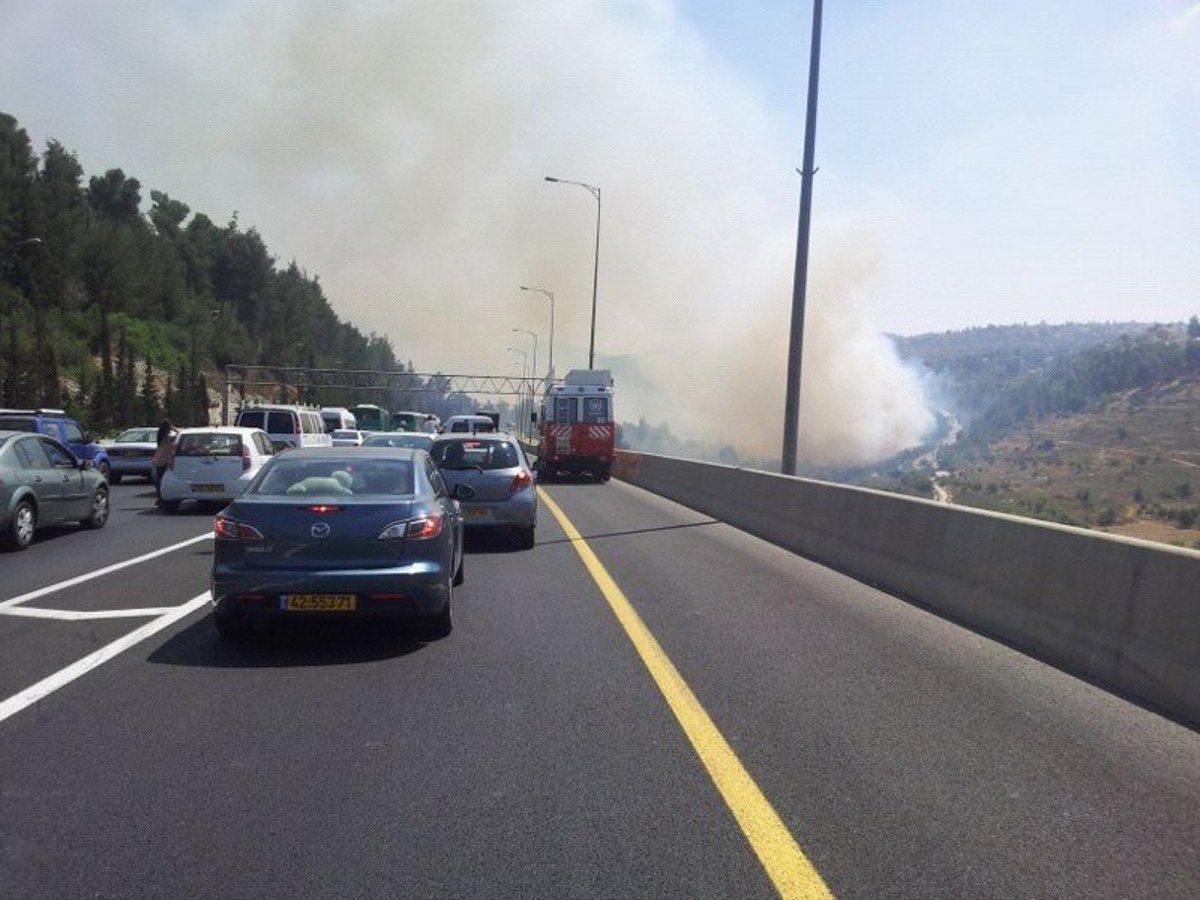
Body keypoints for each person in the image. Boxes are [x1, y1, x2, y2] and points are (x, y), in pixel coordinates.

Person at [152, 419, 178, 505]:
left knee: (159, 480)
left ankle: (160, 499)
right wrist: (175, 429)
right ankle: (162, 499)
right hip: (164, 460)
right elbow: (179, 435)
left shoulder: (161, 435)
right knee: (163, 481)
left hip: (159, 460)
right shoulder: (168, 437)